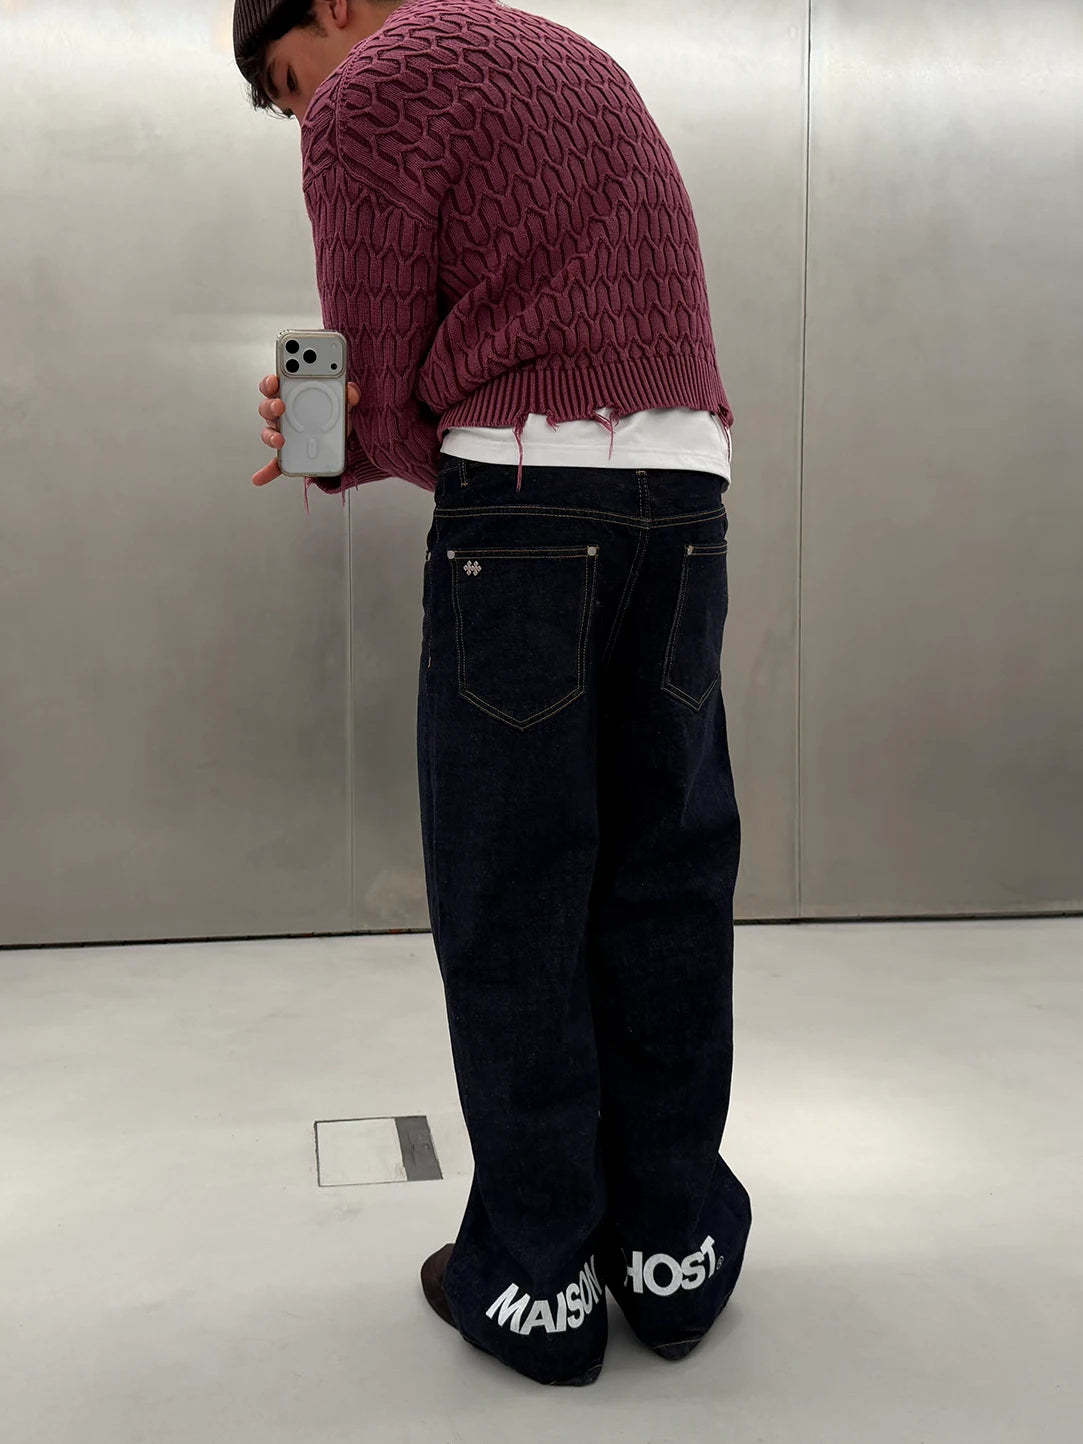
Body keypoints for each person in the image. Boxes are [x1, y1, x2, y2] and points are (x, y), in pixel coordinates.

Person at [233, 0, 751, 1388]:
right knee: (665, 879)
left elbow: (376, 381)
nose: (303, 115)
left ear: (328, 11)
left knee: (513, 891)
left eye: (287, 81)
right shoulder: (565, 54)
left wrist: (331, 441)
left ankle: (536, 1278)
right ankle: (674, 1253)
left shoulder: (371, 91)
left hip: (524, 518)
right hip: (687, 498)